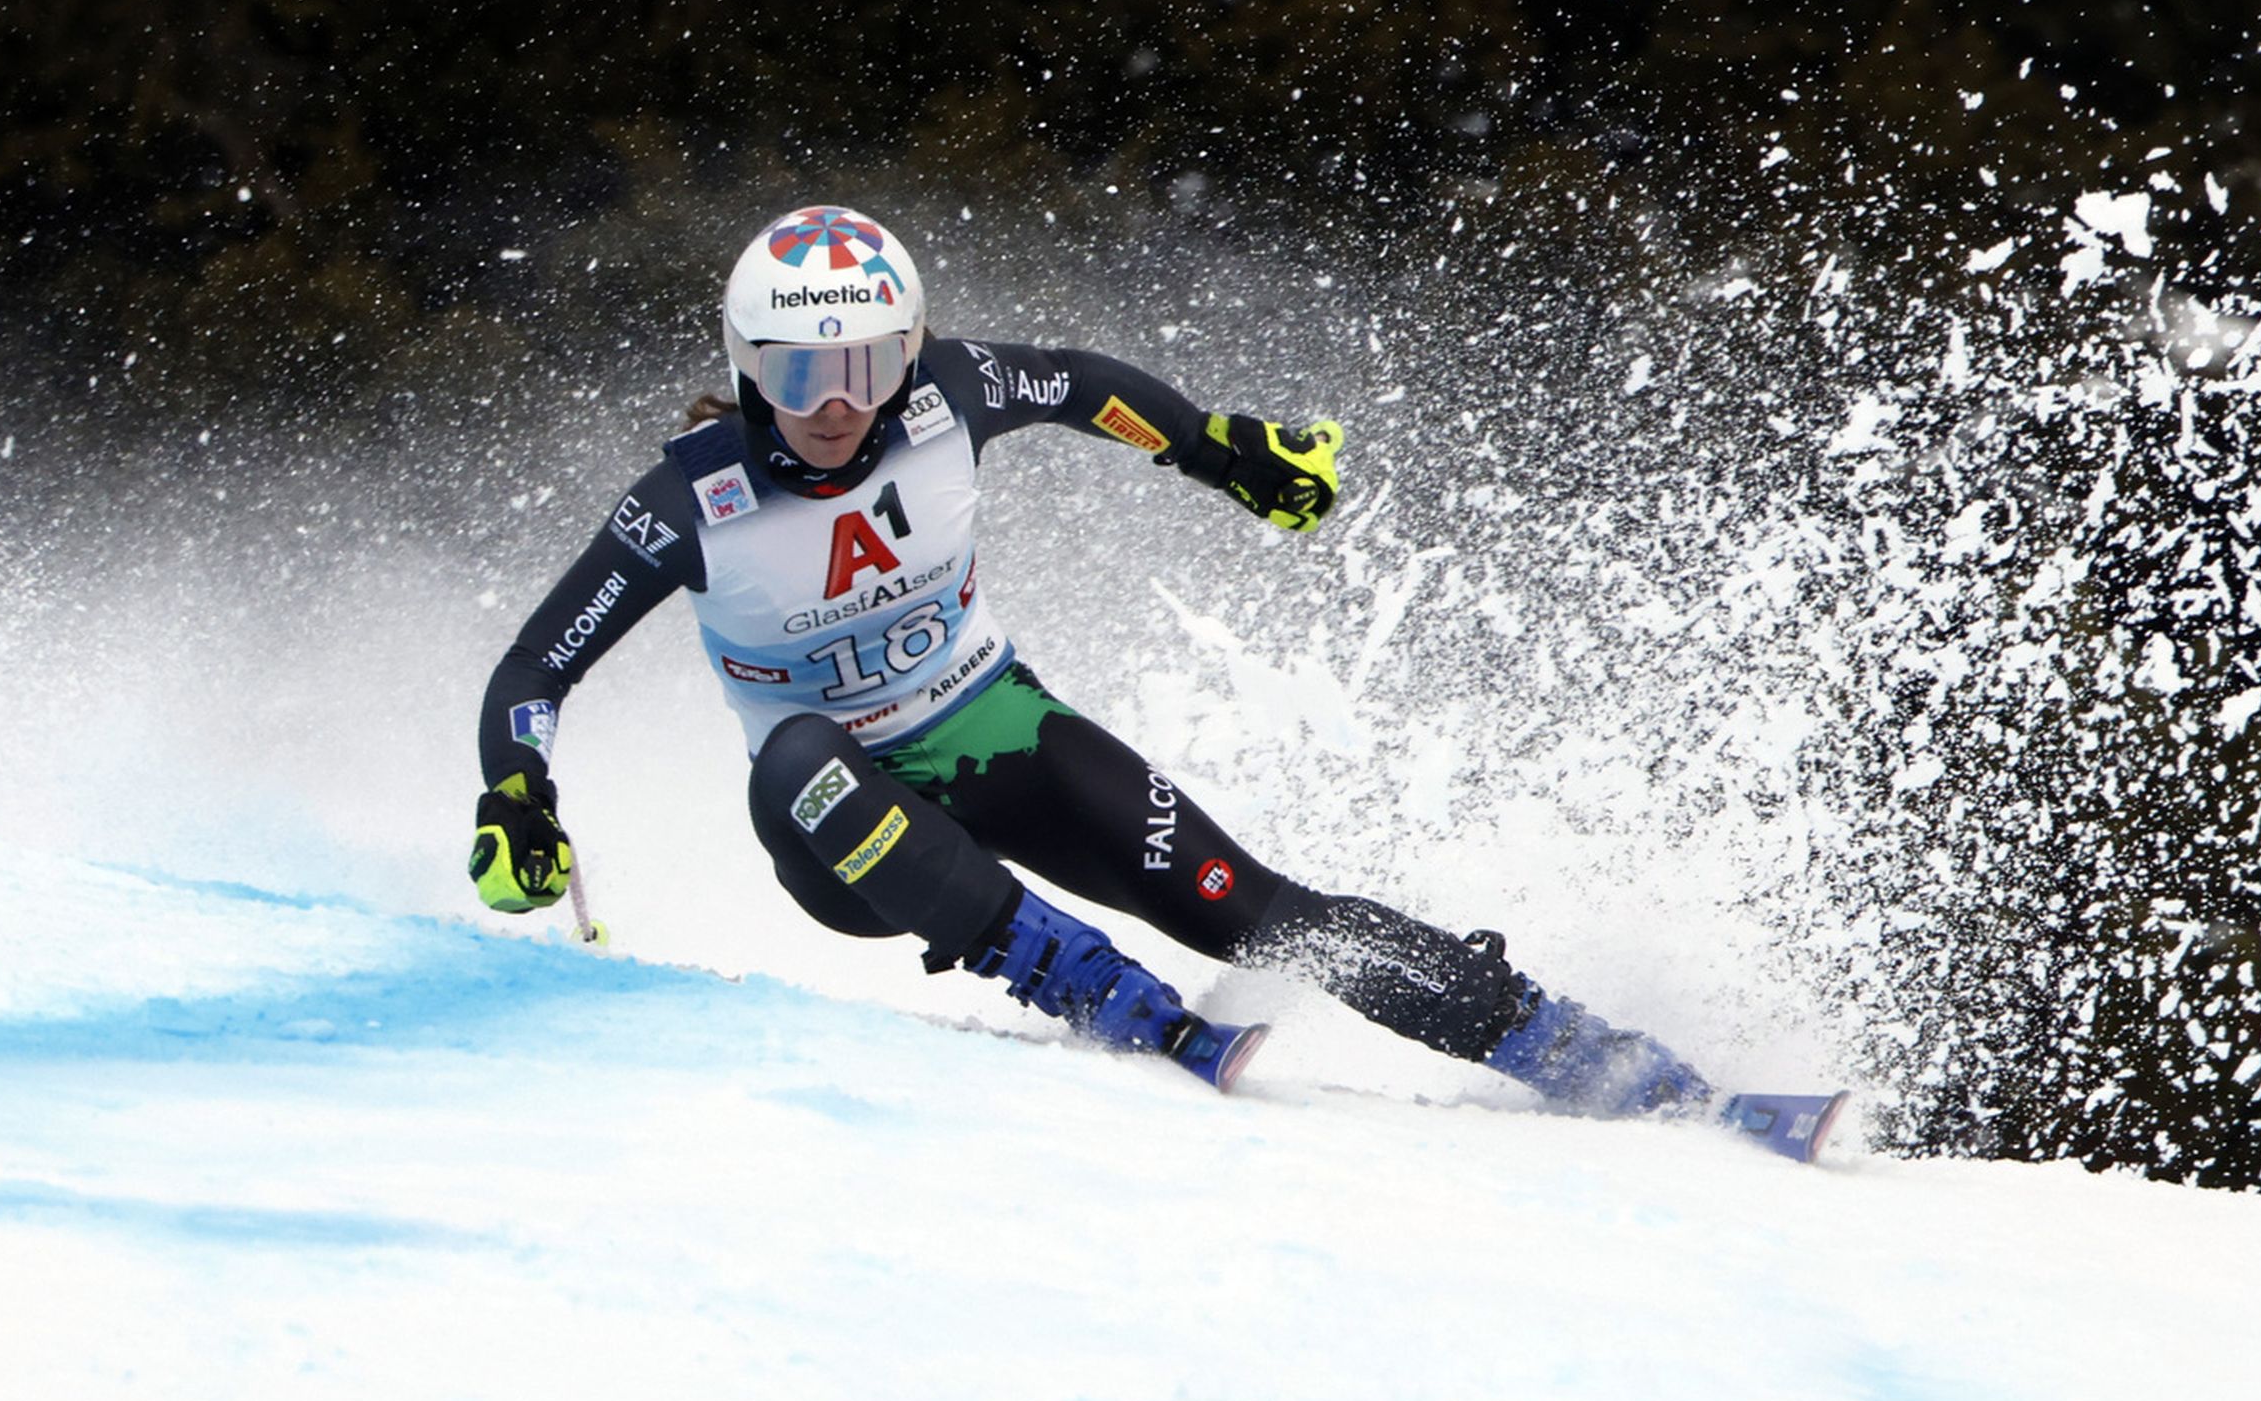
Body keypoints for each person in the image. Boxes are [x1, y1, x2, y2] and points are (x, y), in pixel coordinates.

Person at [470, 204, 1708, 1109]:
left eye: (866, 367)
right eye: (800, 373)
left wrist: (1218, 448)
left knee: (1255, 908)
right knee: (802, 747)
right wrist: (517, 794)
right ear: (748, 368)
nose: (836, 404)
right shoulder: (693, 500)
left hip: (998, 731)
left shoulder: (948, 395)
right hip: (840, 829)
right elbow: (537, 665)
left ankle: (1567, 1046)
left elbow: (1079, 383)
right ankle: (1075, 976)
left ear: (909, 354)